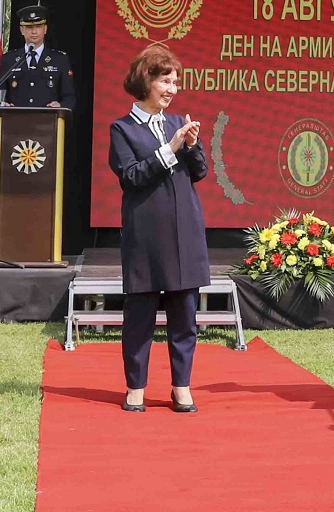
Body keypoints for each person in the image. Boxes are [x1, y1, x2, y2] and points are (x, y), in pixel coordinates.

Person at [108, 45, 208, 414]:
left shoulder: (177, 120)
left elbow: (199, 173)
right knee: (140, 317)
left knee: (185, 315)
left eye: (175, 81)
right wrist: (170, 148)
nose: (172, 88)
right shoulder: (122, 128)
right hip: (145, 236)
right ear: (146, 80)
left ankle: (181, 386)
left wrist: (192, 146)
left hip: (184, 233)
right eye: (166, 80)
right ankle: (136, 386)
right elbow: (132, 177)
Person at [0, 3, 76, 110]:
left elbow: (70, 98)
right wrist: (3, 104)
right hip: (15, 121)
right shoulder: (9, 59)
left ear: (45, 29)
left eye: (38, 27)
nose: (34, 32)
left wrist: (60, 105)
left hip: (48, 121)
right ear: (22, 30)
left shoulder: (59, 59)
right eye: (29, 27)